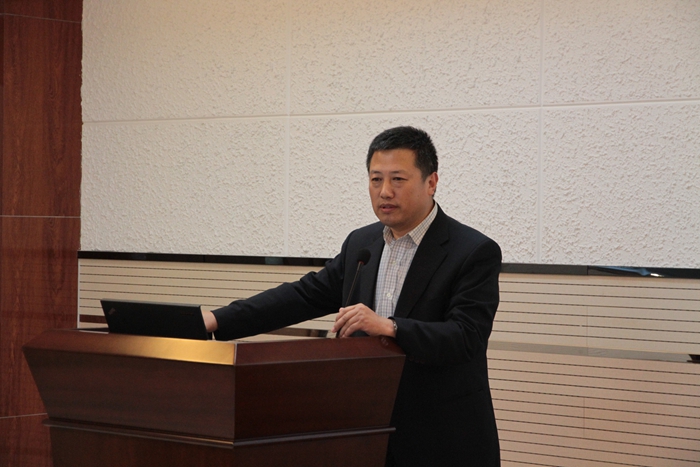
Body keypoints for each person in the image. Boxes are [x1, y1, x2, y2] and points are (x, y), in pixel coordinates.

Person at [203, 126, 502, 467]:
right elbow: (302, 295)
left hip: (442, 440)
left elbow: (466, 337)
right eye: (376, 180)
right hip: (366, 432)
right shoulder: (362, 244)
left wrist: (390, 326)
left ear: (431, 182)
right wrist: (216, 320)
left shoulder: (472, 251)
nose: (385, 191)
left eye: (398, 179)